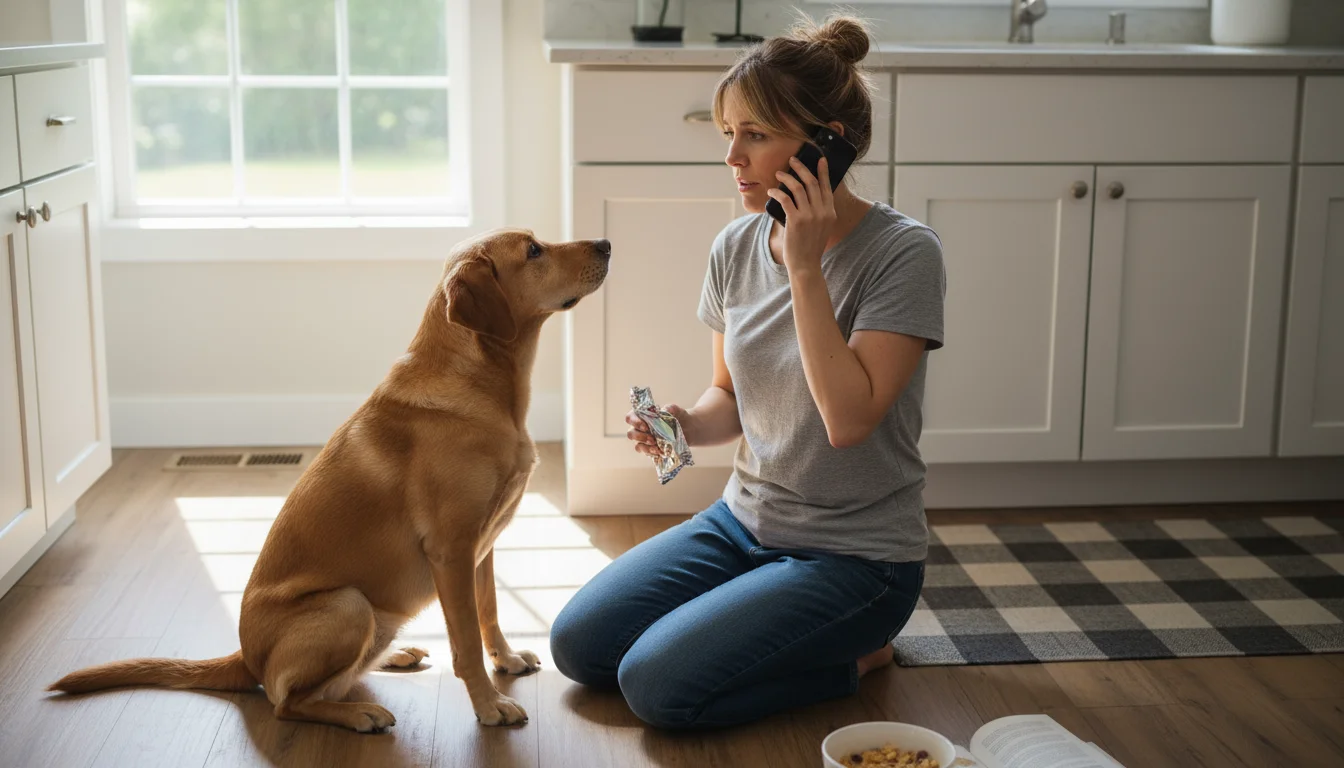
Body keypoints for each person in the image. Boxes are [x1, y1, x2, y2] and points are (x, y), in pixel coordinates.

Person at [549, 12, 946, 730]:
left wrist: (803, 263)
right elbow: (729, 399)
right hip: (744, 523)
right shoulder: (735, 246)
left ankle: (858, 655)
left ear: (829, 145)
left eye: (755, 135)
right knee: (579, 647)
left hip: (859, 560)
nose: (733, 156)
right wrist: (681, 424)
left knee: (655, 686)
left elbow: (850, 421)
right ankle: (761, 615)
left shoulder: (904, 255)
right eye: (728, 133)